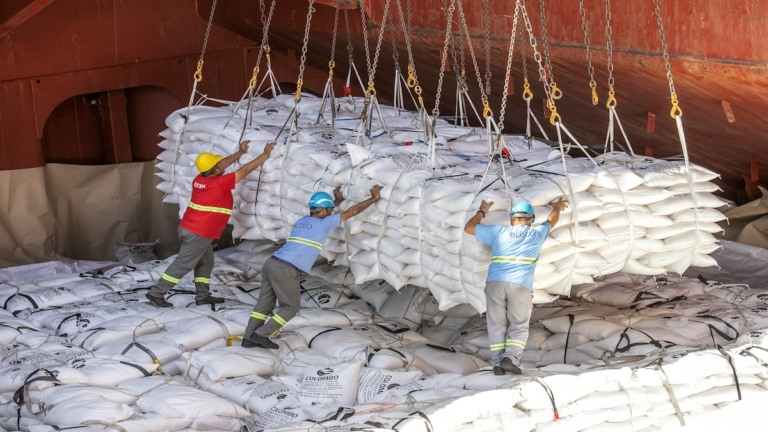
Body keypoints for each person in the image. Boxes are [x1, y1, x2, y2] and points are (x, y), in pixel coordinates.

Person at [242, 184, 383, 349]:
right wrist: (373, 199)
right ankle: (261, 335)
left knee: (263, 305)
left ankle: (248, 337)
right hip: (286, 269)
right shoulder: (323, 224)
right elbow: (352, 212)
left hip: (272, 263)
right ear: (323, 211)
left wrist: (335, 201)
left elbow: (325, 213)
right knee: (291, 307)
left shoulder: (303, 221)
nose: (330, 213)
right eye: (329, 210)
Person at [146, 140, 276, 307]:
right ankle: (156, 293)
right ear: (215, 170)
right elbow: (245, 169)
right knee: (183, 264)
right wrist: (265, 155)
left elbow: (220, 164)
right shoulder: (219, 184)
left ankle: (202, 296)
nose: (221, 165)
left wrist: (240, 152)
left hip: (193, 229)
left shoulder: (200, 178)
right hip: (198, 233)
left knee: (206, 263)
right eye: (218, 165)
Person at [464, 197, 567, 375]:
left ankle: (497, 364)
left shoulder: (498, 232)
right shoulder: (537, 233)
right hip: (520, 285)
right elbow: (552, 220)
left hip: (494, 283)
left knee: (496, 324)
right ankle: (510, 359)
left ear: (512, 219)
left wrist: (482, 211)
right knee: (518, 324)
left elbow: (468, 228)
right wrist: (556, 207)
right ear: (531, 220)